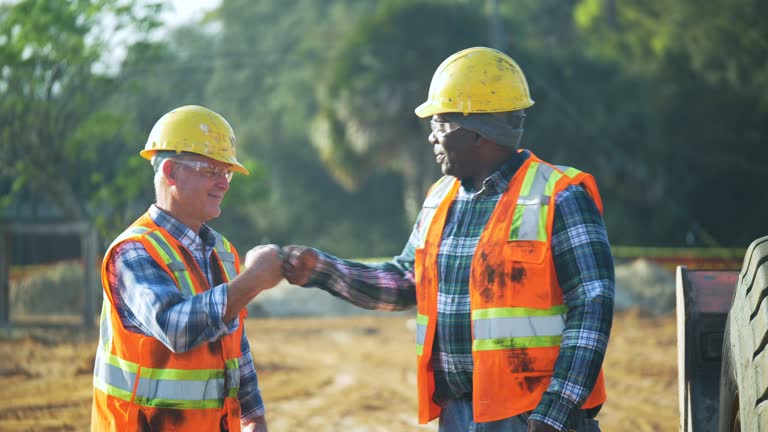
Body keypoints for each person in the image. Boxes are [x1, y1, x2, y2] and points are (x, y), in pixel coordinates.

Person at [281, 47, 614, 432]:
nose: (431, 138)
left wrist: (554, 412)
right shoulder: (440, 198)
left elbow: (593, 305)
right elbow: (406, 283)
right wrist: (321, 270)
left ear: (474, 132)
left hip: (534, 414)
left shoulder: (560, 195)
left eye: (439, 123)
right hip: (460, 413)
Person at [91, 105, 283, 432]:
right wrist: (252, 281)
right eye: (212, 171)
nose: (224, 183)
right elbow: (174, 327)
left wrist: (253, 415)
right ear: (170, 172)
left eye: (227, 172)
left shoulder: (222, 251)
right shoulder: (135, 251)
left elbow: (235, 343)